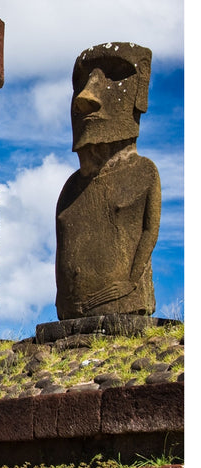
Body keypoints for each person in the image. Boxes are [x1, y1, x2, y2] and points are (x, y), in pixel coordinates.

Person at [55, 42, 160, 319]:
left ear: (140, 91)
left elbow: (150, 231)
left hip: (124, 304)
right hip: (71, 313)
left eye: (114, 75)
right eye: (81, 82)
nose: (86, 96)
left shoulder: (144, 171)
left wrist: (129, 283)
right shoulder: (70, 188)